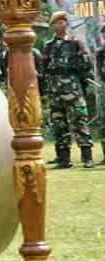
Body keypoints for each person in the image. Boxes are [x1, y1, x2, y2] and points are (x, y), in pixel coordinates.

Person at [39, 11, 94, 169]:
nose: (59, 25)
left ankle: (87, 157)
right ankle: (64, 159)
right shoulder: (48, 46)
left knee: (80, 122)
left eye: (62, 22)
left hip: (73, 89)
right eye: (56, 23)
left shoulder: (75, 43)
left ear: (66, 24)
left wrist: (82, 83)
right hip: (55, 91)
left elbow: (86, 64)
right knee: (59, 125)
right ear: (52, 26)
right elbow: (43, 68)